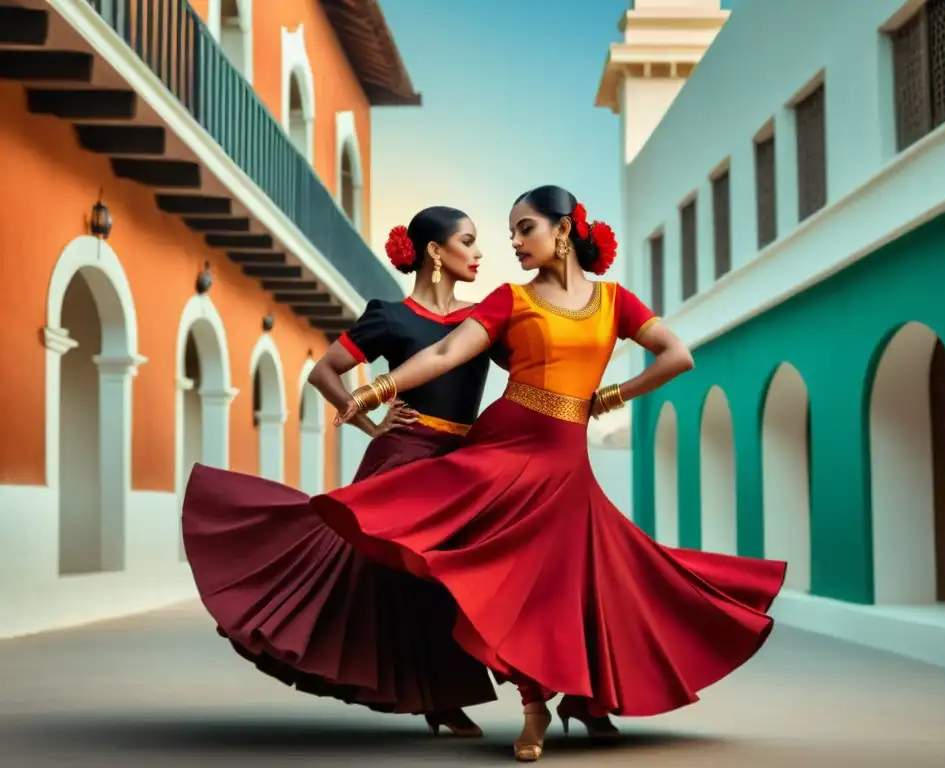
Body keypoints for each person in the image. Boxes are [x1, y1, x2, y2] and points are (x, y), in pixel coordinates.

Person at [315, 186, 788, 762]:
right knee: (514, 583)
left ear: (562, 231)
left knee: (594, 580)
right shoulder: (508, 299)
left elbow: (676, 355)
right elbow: (443, 356)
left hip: (567, 462)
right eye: (510, 232)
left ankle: (585, 701)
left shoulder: (615, 301)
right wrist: (377, 391)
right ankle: (534, 709)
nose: (513, 242)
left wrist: (611, 396)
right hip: (504, 453)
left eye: (524, 229)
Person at [182, 206, 501, 738]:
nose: (479, 253)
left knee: (450, 577)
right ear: (435, 252)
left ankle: (447, 696)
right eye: (468, 241)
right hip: (403, 459)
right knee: (397, 577)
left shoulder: (484, 318)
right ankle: (442, 700)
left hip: (462, 466)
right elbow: (323, 371)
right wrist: (375, 427)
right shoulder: (390, 316)